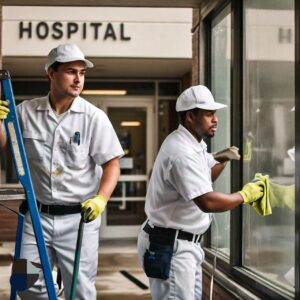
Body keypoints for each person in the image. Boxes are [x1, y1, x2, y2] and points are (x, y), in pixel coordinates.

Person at [0, 43, 124, 299]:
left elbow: (111, 164)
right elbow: (3, 144)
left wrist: (101, 199)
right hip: (36, 217)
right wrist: (0, 122)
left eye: (82, 72)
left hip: (79, 220)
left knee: (80, 291)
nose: (78, 78)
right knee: (24, 282)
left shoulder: (93, 117)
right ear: (51, 73)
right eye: (71, 71)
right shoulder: (25, 112)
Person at [137, 85, 264, 300]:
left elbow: (202, 179)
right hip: (172, 247)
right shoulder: (181, 152)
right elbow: (207, 201)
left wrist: (223, 158)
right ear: (190, 116)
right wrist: (246, 195)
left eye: (214, 114)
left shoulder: (194, 143)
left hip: (182, 244)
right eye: (208, 114)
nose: (215, 119)